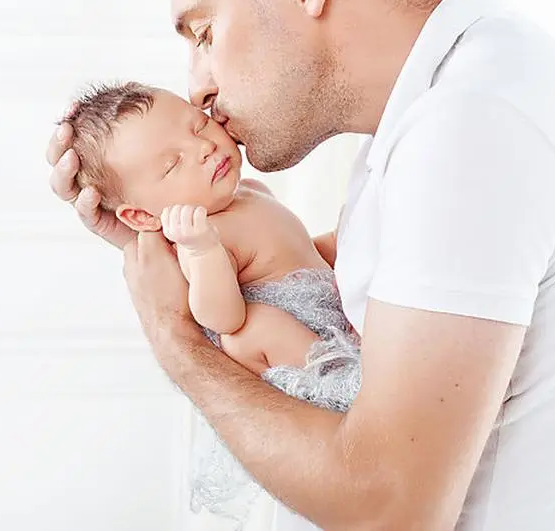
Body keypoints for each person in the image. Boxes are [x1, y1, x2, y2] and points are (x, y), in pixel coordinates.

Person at [46, 0, 555, 529]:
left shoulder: (472, 126)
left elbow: (388, 507)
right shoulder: (447, 106)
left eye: (205, 33)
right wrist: (157, 236)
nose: (199, 87)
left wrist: (175, 336)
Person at [59, 81, 363, 524]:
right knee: (250, 327)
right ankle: (346, 383)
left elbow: (293, 254)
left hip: (317, 304)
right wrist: (202, 251)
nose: (202, 148)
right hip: (285, 345)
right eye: (172, 164)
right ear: (143, 216)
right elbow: (221, 315)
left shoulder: (251, 192)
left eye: (197, 125)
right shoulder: (201, 238)